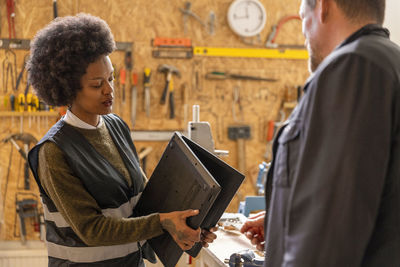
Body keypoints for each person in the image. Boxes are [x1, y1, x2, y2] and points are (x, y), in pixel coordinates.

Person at [27, 13, 216, 266]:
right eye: (97, 84)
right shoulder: (54, 152)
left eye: (111, 78)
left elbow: (144, 201)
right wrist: (163, 222)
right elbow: (91, 229)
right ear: (68, 88)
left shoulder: (116, 126)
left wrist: (187, 225)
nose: (109, 90)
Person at [241, 0, 400, 266]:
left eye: (304, 18)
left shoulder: (353, 66)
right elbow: (365, 198)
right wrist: (284, 223)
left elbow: (332, 226)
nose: (304, 33)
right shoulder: (387, 61)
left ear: (323, 7)